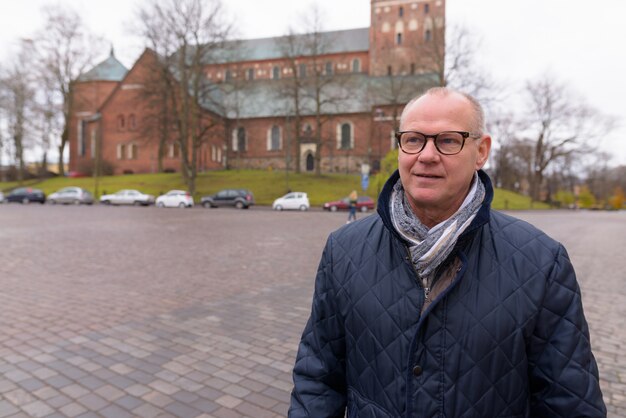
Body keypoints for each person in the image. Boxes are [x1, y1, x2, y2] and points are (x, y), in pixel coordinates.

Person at [289, 87, 606, 417]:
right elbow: (317, 379)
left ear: (481, 151)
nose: (426, 155)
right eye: (413, 139)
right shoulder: (343, 250)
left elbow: (569, 402)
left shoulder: (542, 262)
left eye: (448, 140)